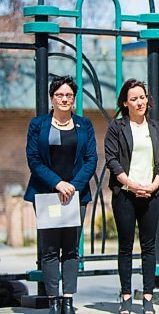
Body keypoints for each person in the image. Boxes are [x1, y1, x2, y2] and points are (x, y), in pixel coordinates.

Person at [24, 75, 98, 314]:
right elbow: (34, 160)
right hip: (47, 194)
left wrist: (73, 186)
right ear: (52, 98)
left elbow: (91, 159)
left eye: (69, 95)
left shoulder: (84, 125)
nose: (64, 99)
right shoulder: (38, 124)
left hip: (76, 195)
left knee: (71, 249)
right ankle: (53, 300)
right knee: (49, 249)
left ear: (74, 99)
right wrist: (58, 183)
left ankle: (67, 300)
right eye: (59, 95)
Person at [104, 79, 159, 314]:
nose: (139, 102)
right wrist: (131, 184)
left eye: (142, 97)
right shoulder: (117, 127)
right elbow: (111, 159)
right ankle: (126, 296)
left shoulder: (156, 128)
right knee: (126, 247)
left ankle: (148, 298)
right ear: (125, 102)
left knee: (149, 247)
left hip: (151, 194)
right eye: (134, 99)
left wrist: (152, 186)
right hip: (125, 194)